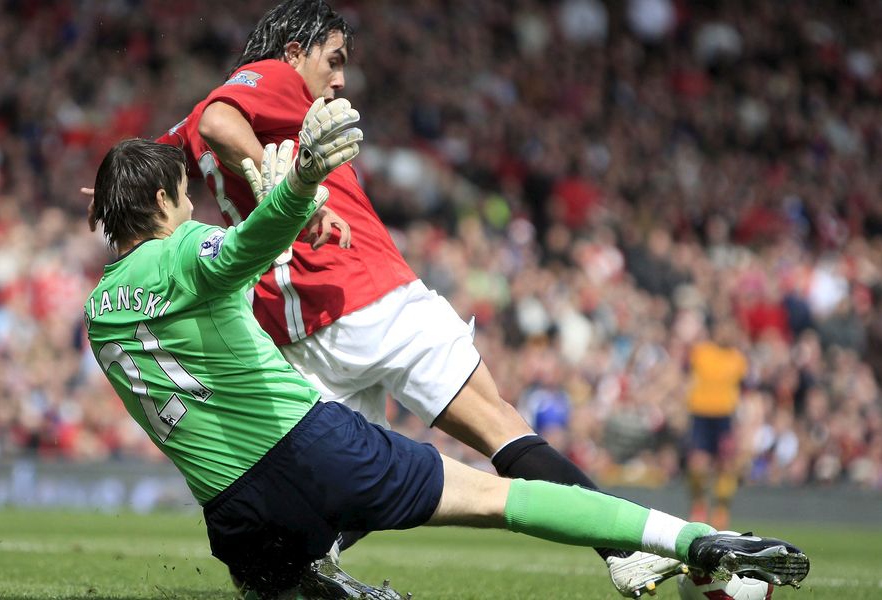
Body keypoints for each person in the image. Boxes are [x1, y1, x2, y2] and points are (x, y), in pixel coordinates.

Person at [84, 120, 809, 599]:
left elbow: (220, 303)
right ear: (162, 199)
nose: (192, 207)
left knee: (272, 583)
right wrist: (297, 189)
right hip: (313, 449)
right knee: (500, 499)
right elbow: (234, 251)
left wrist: (278, 223)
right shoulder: (183, 249)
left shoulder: (97, 314)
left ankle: (314, 581)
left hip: (234, 511)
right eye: (185, 195)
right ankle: (697, 540)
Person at [142, 2, 678, 595]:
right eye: (333, 60)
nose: (340, 79)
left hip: (297, 330)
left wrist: (111, 195)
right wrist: (286, 191)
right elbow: (222, 120)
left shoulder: (193, 118)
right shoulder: (274, 78)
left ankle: (289, 579)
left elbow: (159, 161)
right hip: (367, 293)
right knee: (500, 429)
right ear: (294, 51)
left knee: (341, 492)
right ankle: (627, 550)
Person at [685, 318, 749, 530]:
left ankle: (721, 509)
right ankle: (699, 503)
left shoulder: (738, 359)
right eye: (723, 329)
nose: (726, 334)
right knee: (698, 464)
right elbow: (686, 378)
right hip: (701, 414)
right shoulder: (700, 353)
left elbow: (745, 391)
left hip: (725, 416)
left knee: (726, 465)